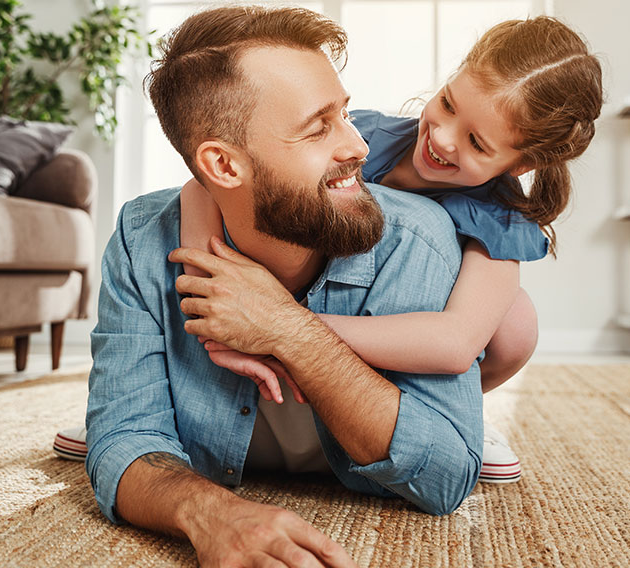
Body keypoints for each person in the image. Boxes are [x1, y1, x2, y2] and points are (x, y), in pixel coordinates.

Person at [85, 5, 483, 566]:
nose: (358, 147)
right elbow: (123, 443)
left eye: (344, 115)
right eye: (318, 128)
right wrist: (209, 513)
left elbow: (446, 477)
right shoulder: (141, 239)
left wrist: (288, 329)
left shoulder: (418, 237)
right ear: (222, 166)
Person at [176, 16, 604, 483]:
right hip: (312, 290)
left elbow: (456, 343)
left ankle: (451, 419)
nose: (442, 137)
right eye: (448, 104)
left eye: (476, 142)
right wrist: (209, 300)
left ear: (520, 163)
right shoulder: (360, 136)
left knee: (516, 323)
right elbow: (203, 186)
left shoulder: (500, 219)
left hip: (390, 335)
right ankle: (159, 404)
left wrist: (285, 327)